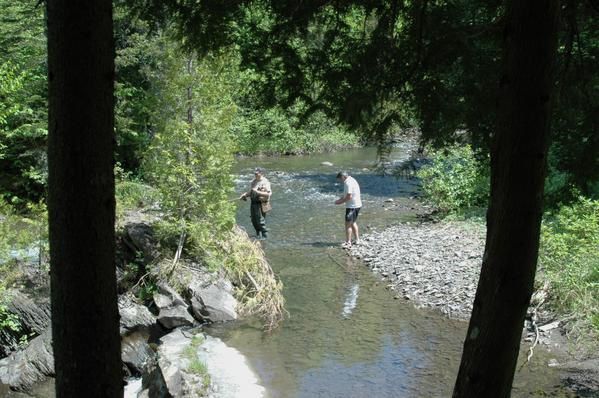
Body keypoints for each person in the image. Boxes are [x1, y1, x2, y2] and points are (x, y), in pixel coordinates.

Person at [240, 167, 272, 239]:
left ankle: (265, 237)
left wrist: (257, 192)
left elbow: (268, 194)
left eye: (257, 173)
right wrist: (245, 195)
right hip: (253, 203)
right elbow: (251, 192)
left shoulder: (266, 182)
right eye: (255, 173)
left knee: (260, 221)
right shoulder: (253, 181)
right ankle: (258, 236)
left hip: (261, 204)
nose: (255, 175)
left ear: (261, 173)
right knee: (253, 220)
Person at [334, 171, 362, 249]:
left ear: (343, 177)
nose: (340, 181)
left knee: (347, 224)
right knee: (353, 222)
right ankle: (357, 240)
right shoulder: (352, 179)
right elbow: (347, 195)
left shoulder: (347, 183)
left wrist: (340, 202)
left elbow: (349, 197)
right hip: (357, 204)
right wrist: (341, 199)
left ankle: (348, 242)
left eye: (340, 179)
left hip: (352, 206)